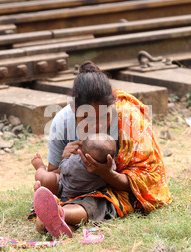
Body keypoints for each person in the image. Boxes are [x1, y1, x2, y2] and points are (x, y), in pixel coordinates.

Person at [31, 61, 172, 238]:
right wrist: (63, 162)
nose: (96, 125)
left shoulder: (130, 120)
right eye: (86, 117)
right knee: (52, 187)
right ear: (73, 109)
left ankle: (59, 215)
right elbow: (56, 178)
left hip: (115, 190)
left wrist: (107, 173)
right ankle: (56, 216)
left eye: (104, 116)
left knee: (107, 201)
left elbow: (149, 180)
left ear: (113, 105)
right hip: (73, 189)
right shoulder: (63, 122)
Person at [31, 133, 117, 198]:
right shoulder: (110, 167)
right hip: (91, 194)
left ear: (81, 151)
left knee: (48, 179)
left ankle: (40, 168)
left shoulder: (75, 163)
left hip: (64, 191)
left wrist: (66, 158)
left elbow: (62, 168)